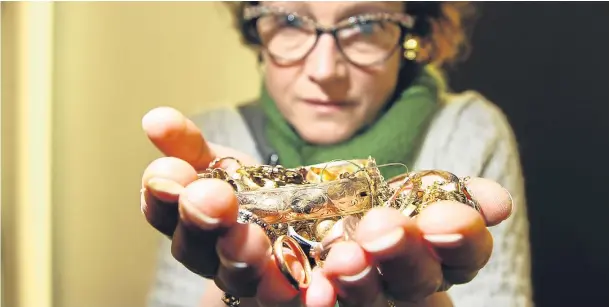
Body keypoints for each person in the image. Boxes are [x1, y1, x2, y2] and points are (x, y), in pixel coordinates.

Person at [140, 1, 533, 307]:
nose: (325, 70)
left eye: (366, 24)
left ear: (416, 30)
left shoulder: (466, 130)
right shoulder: (211, 149)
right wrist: (233, 290)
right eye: (290, 19)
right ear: (255, 26)